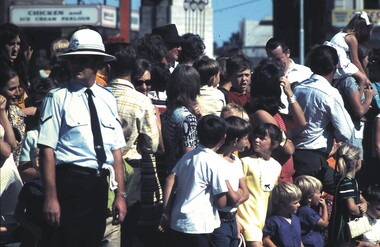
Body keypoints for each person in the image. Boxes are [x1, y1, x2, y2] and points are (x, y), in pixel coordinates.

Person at [37, 27, 127, 247]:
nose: (76, 65)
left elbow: (116, 151)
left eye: (84, 60)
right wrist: (51, 197)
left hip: (99, 185)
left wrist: (120, 195)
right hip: (69, 183)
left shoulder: (107, 99)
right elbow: (47, 150)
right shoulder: (58, 98)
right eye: (73, 59)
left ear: (97, 64)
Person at [106, 42, 159, 247]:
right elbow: (151, 145)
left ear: (108, 67)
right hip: (131, 168)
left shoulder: (98, 95)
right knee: (127, 224)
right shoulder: (142, 101)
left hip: (101, 167)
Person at [159, 115, 231, 247]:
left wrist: (166, 211)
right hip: (199, 226)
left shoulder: (188, 156)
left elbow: (170, 179)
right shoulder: (215, 162)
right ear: (224, 137)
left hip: (178, 222)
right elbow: (221, 203)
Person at [292, 45, 354, 195]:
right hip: (314, 158)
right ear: (335, 66)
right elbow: (346, 132)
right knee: (347, 194)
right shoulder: (329, 93)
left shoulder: (299, 88)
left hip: (295, 155)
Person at [246, 58, 306, 183]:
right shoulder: (262, 115)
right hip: (276, 178)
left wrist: (290, 94)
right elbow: (288, 149)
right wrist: (287, 140)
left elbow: (301, 122)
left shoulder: (273, 114)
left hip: (284, 177)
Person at [237, 123, 283, 247]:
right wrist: (235, 218)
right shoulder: (245, 162)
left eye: (262, 138)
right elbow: (237, 191)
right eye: (255, 137)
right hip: (246, 219)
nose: (256, 140)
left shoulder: (277, 166)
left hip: (263, 220)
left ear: (274, 144)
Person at [210, 116, 250, 247]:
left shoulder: (236, 161)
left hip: (232, 219)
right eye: (245, 138)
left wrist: (237, 194)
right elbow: (232, 197)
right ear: (235, 140)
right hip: (219, 220)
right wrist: (237, 193)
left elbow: (246, 193)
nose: (248, 142)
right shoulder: (216, 161)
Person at [332, 43, 374, 160]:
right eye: (367, 58)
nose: (369, 62)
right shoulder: (349, 81)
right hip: (351, 130)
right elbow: (359, 110)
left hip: (355, 130)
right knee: (354, 162)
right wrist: (368, 98)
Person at [161, 65, 200, 172]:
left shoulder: (167, 114)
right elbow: (189, 155)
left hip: (170, 171)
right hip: (184, 177)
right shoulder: (188, 118)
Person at [328, 144, 368, 247]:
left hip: (349, 229)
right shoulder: (347, 182)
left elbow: (361, 199)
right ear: (356, 161)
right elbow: (352, 208)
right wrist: (361, 210)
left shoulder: (352, 182)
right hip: (343, 230)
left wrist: (364, 205)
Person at [265, 37, 312, 114]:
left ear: (288, 53)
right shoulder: (265, 75)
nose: (275, 63)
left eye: (278, 59)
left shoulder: (305, 72)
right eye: (271, 59)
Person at [325, 11, 372, 86]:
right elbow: (355, 61)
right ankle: (361, 97)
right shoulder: (351, 38)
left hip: (332, 60)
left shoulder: (341, 34)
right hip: (341, 63)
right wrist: (366, 77)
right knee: (362, 79)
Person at [0, 66, 26, 166]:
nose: (17, 92)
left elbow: (14, 145)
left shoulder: (16, 112)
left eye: (18, 87)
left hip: (13, 172)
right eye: (12, 89)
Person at [263, 182, 303, 247]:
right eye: (295, 203)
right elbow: (266, 239)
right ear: (283, 205)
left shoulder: (295, 219)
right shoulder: (273, 221)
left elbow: (298, 239)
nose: (299, 205)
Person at [294, 175, 329, 247]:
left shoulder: (300, 209)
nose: (320, 195)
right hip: (311, 243)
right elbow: (324, 223)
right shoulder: (307, 211)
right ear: (309, 198)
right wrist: (324, 206)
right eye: (318, 192)